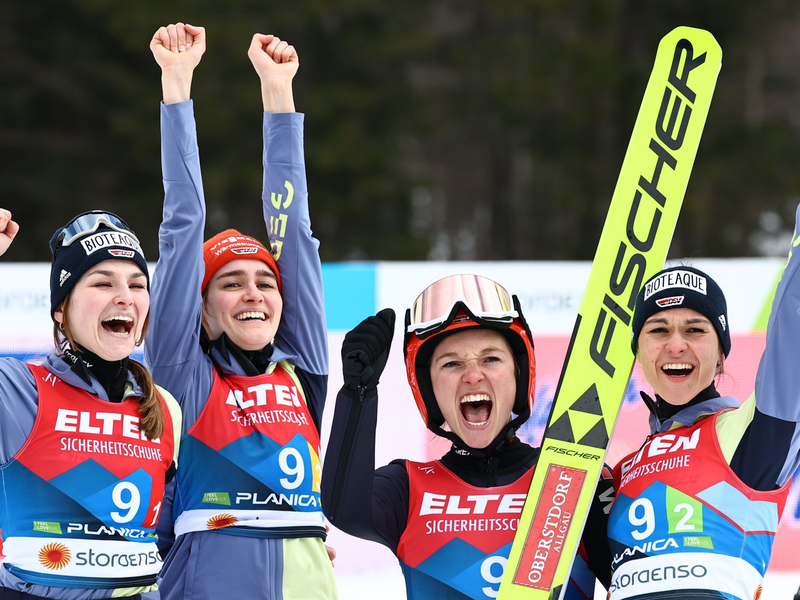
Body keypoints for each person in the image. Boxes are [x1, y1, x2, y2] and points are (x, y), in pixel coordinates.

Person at [146, 23, 335, 600]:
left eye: (264, 283)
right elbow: (182, 230)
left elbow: (293, 235)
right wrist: (176, 85)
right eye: (230, 283)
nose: (254, 293)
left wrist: (279, 94)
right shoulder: (184, 379)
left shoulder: (301, 369)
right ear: (202, 313)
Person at [322, 273, 614, 599]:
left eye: (490, 359)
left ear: (519, 375)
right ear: (430, 391)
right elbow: (343, 510)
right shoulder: (406, 487)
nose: (473, 376)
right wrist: (358, 396)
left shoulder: (576, 478)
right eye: (451, 364)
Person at [0, 208, 181, 599]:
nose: (124, 297)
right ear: (61, 309)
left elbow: (176, 533)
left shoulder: (163, 407)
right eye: (103, 283)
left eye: (137, 284)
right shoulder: (19, 391)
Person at [606, 255, 800, 598]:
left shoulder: (746, 434)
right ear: (638, 351)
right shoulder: (620, 474)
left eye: (695, 329)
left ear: (722, 352)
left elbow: (793, 327)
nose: (676, 345)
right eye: (658, 330)